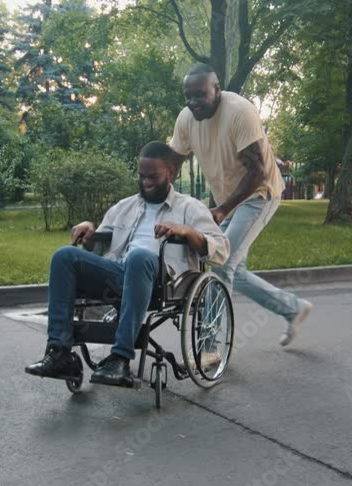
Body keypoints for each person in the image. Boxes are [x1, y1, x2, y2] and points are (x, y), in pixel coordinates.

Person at [25, 142, 230, 387]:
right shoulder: (125, 207)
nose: (146, 182)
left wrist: (186, 231)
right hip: (121, 274)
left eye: (153, 177)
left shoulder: (189, 207)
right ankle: (59, 353)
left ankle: (120, 358)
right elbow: (99, 245)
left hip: (165, 282)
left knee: (139, 256)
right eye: (141, 176)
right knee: (64, 256)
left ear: (172, 173)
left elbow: (221, 250)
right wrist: (90, 229)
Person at [169, 64, 314, 346]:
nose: (193, 102)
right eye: (188, 95)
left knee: (221, 263)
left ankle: (208, 348)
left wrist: (222, 210)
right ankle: (293, 308)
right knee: (236, 269)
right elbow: (173, 161)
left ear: (217, 90)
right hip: (229, 198)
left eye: (200, 95)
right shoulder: (186, 118)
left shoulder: (238, 112)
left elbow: (257, 171)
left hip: (259, 194)